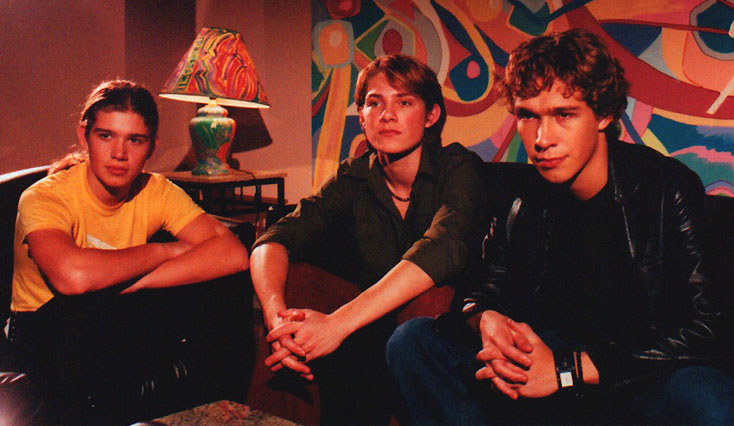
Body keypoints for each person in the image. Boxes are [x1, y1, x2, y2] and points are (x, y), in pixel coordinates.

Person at [387, 29, 734, 425]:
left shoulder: (665, 187)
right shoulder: (521, 196)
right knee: (413, 342)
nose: (541, 138)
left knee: (708, 397)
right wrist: (484, 318)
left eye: (563, 115)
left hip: (632, 370)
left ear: (603, 115)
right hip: (544, 364)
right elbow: (482, 288)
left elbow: (708, 327)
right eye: (528, 116)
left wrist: (567, 370)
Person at [250, 54, 488, 425]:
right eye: (374, 103)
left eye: (404, 103)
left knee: (430, 296)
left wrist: (337, 325)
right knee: (296, 281)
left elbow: (444, 248)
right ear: (361, 117)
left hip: (441, 334)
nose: (386, 115)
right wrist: (275, 317)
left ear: (431, 116)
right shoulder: (355, 177)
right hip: (367, 331)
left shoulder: (459, 168)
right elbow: (276, 237)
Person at [9, 80, 250, 425]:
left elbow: (232, 253)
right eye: (106, 136)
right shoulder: (45, 196)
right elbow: (72, 277)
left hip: (113, 313)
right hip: (44, 328)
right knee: (91, 321)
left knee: (220, 294)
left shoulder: (156, 190)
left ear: (151, 146)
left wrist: (132, 283)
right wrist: (163, 251)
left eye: (135, 140)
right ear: (84, 136)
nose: (119, 153)